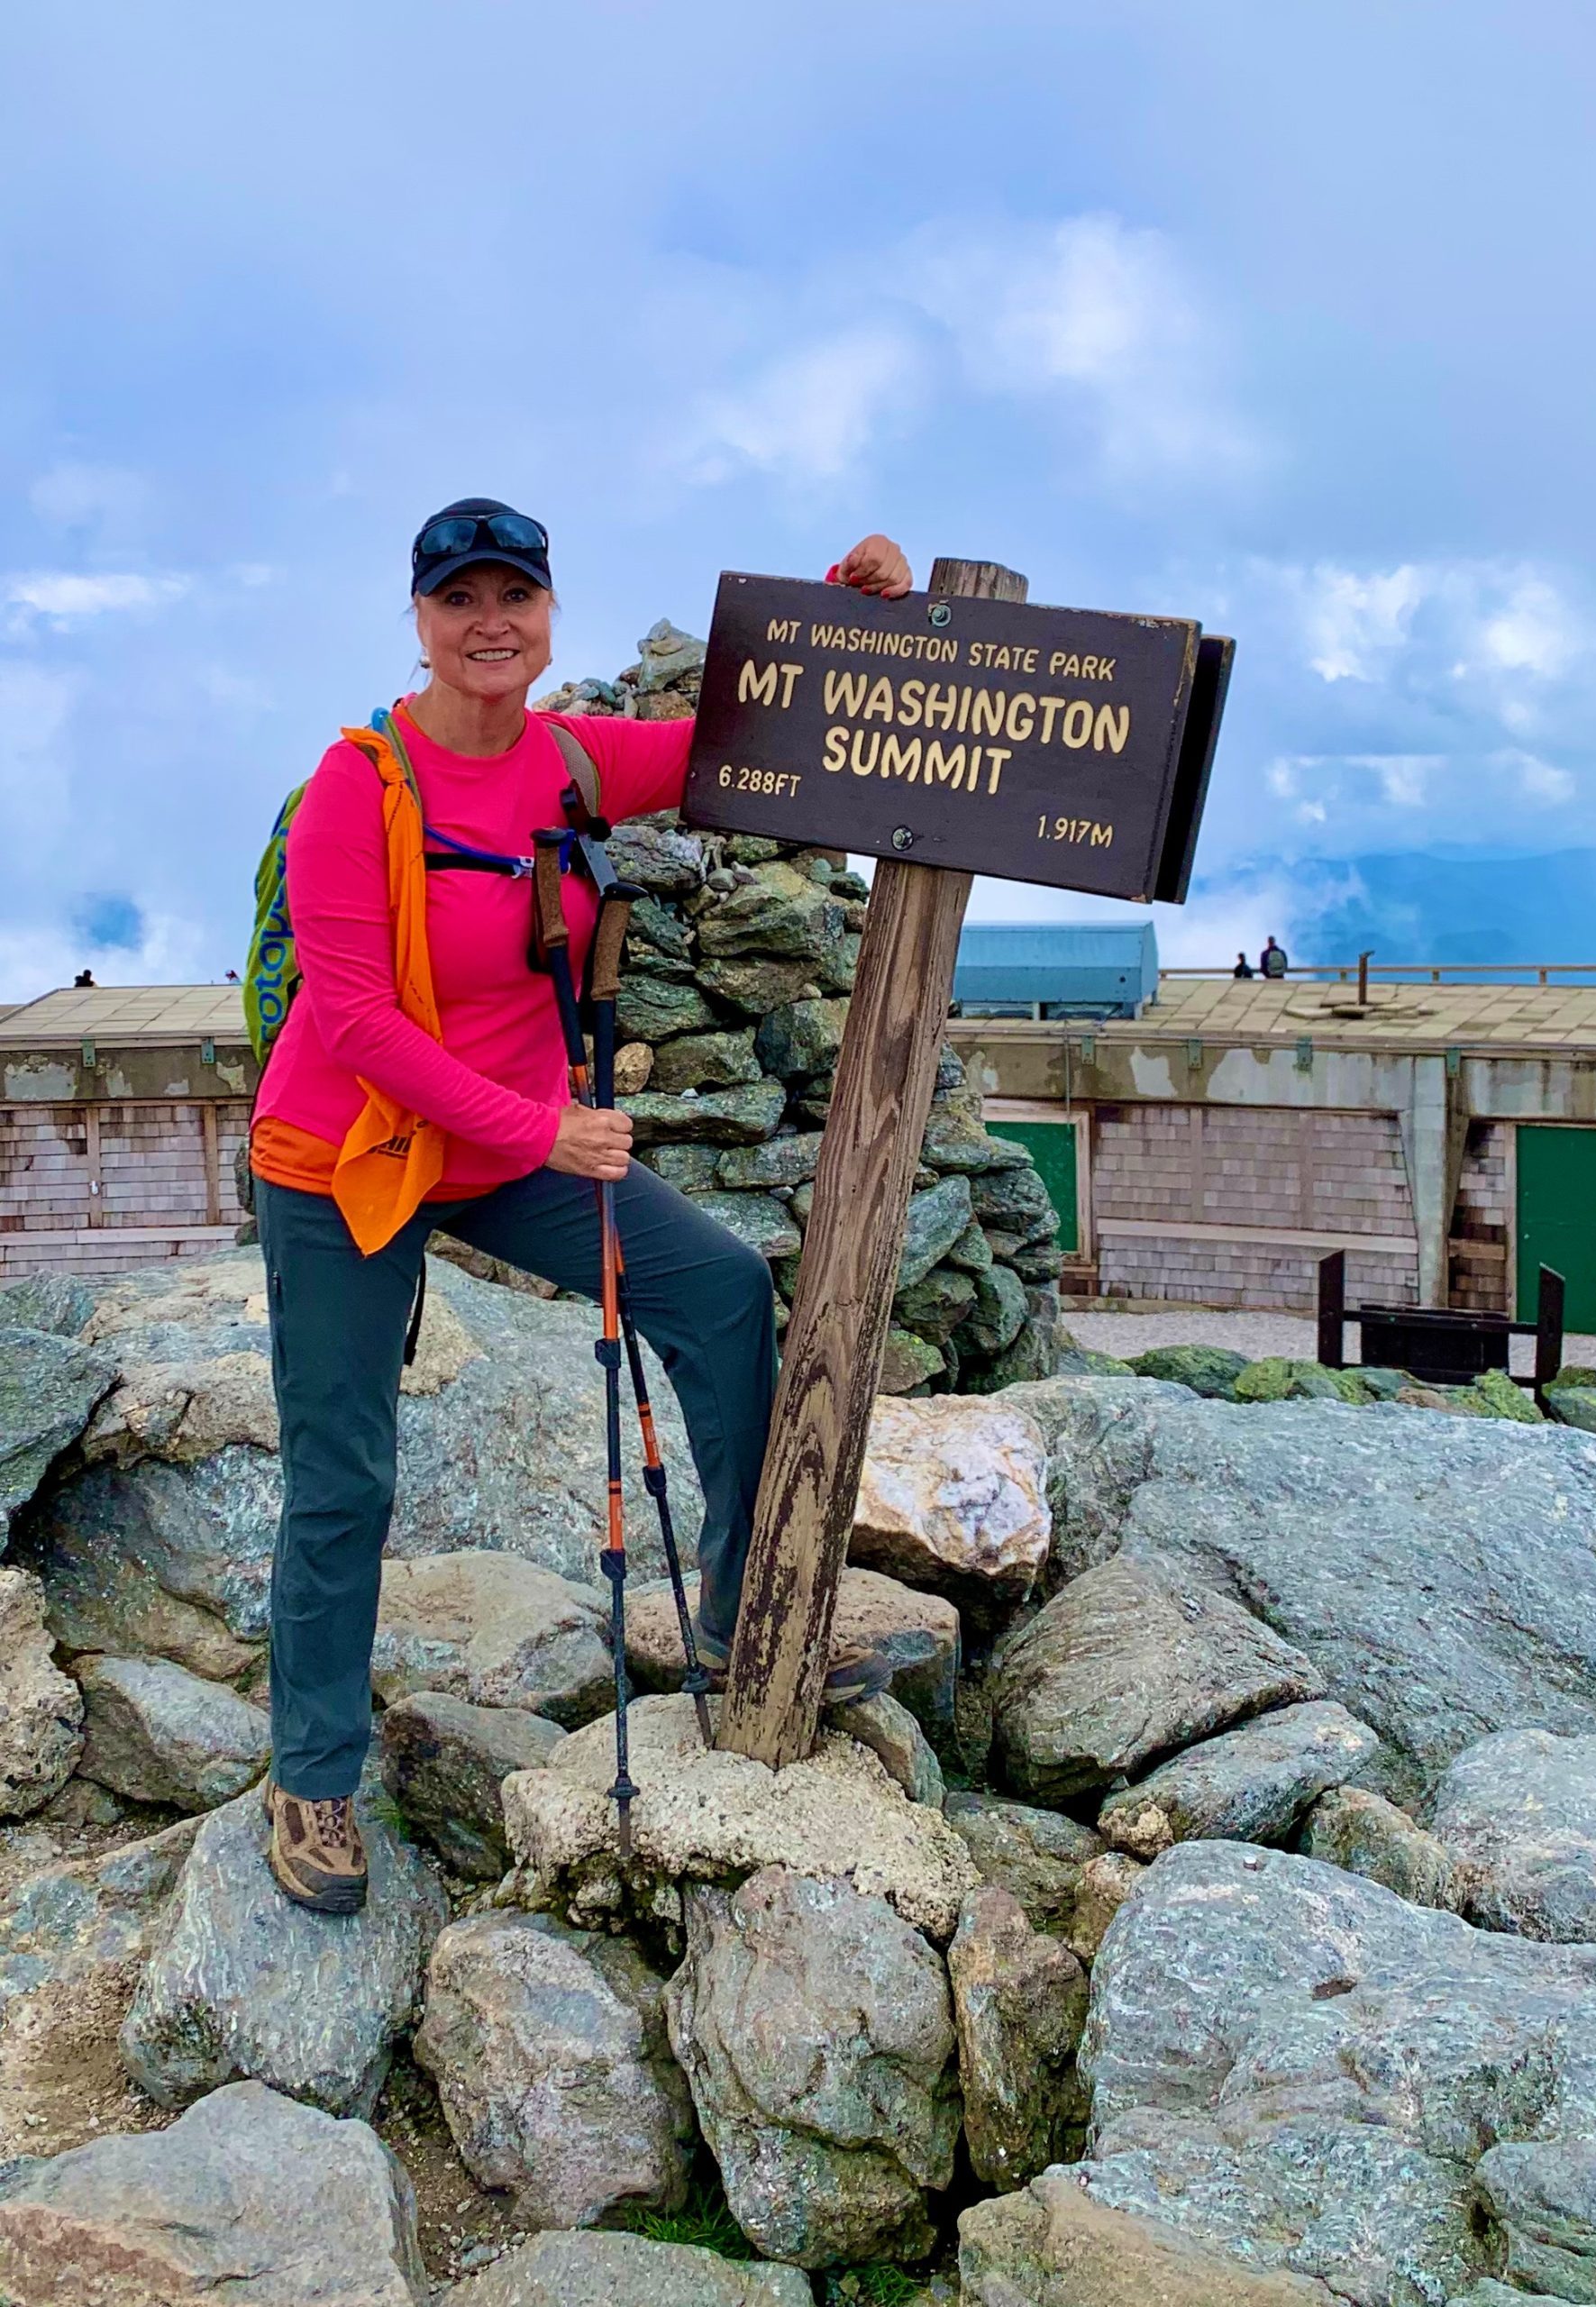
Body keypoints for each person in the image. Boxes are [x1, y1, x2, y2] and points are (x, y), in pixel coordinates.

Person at [249, 497, 911, 1914]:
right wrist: (544, 1130)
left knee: (721, 1290)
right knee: (346, 1471)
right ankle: (310, 1776)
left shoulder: (570, 760)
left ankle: (740, 1627)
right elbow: (355, 1024)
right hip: (347, 1153)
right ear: (420, 619)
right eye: (460, 599)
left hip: (504, 1150)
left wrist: (842, 605)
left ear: (550, 615)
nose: (490, 623)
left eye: (516, 596)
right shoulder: (355, 788)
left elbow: (741, 730)